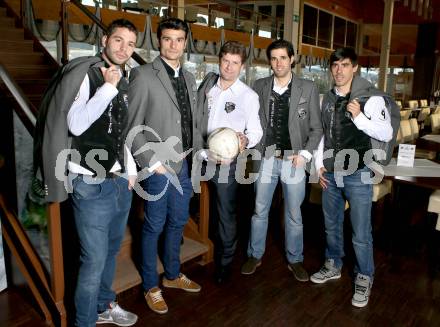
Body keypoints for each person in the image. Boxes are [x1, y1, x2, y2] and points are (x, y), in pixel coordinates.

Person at [34, 19, 139, 326]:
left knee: (110, 252)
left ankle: (104, 305)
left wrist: (130, 171)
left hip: (119, 181)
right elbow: (76, 124)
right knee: (93, 260)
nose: (124, 49)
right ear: (105, 39)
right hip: (90, 182)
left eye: (131, 44)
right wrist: (108, 88)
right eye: (118, 40)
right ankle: (83, 322)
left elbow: (123, 129)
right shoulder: (86, 73)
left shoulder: (126, 77)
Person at [128, 18, 203, 315]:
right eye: (168, 39)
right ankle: (150, 285)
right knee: (154, 225)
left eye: (179, 39)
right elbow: (132, 125)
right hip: (158, 167)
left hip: (184, 163)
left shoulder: (189, 77)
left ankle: (172, 275)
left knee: (178, 222)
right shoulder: (143, 75)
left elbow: (190, 122)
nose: (173, 44)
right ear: (159, 41)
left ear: (185, 43)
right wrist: (151, 163)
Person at [311, 47, 393, 308]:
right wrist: (317, 165)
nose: (339, 70)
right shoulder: (327, 99)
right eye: (335, 65)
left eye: (345, 65)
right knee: (331, 225)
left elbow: (386, 133)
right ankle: (333, 264)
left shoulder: (372, 98)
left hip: (358, 173)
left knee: (360, 232)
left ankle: (364, 276)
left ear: (354, 68)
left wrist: (358, 117)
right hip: (331, 173)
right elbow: (322, 134)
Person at [240, 39, 322, 281]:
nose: (278, 63)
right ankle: (255, 255)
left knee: (294, 214)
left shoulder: (308, 88)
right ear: (269, 61)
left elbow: (316, 129)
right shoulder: (259, 85)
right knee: (259, 210)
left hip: (293, 160)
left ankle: (295, 259)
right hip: (266, 159)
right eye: (274, 58)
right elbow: (251, 123)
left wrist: (305, 155)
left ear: (292, 59)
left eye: (283, 58)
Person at [197, 41, 263, 284]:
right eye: (226, 61)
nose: (229, 67)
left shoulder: (248, 96)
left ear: (242, 66)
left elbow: (256, 131)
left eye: (235, 63)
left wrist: (245, 140)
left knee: (225, 214)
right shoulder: (207, 87)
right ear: (219, 60)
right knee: (183, 203)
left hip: (226, 163)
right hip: (199, 155)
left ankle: (224, 263)